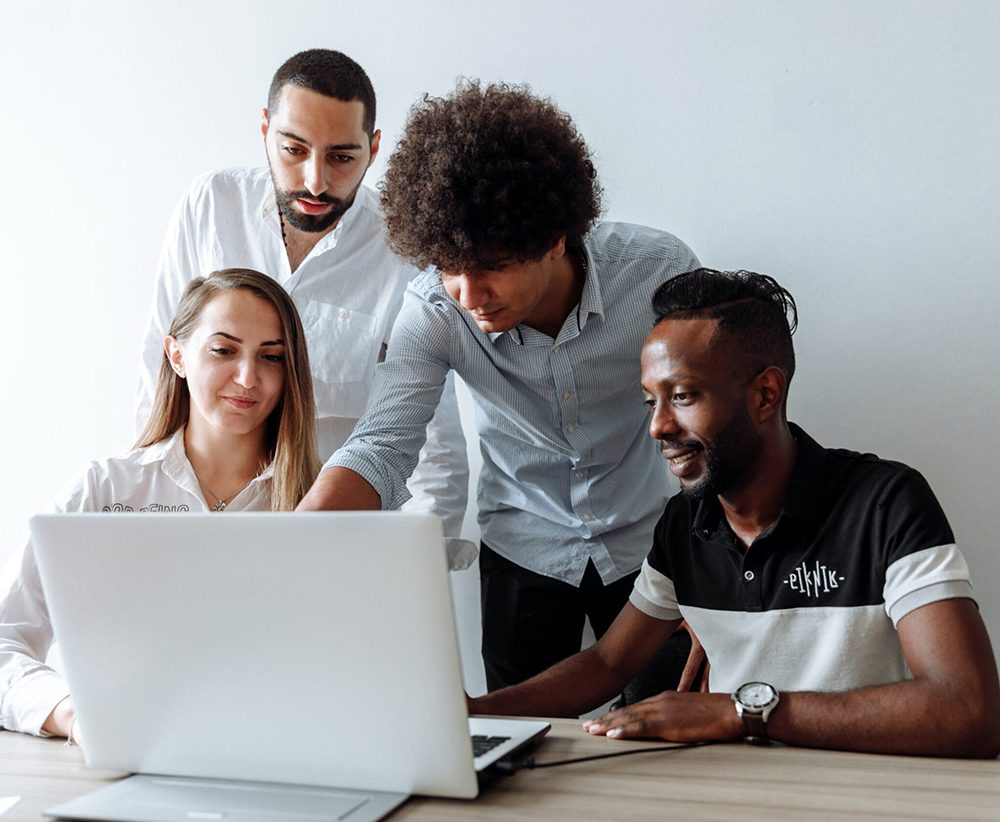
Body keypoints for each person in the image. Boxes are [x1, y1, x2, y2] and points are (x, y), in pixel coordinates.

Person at [469, 268, 1000, 758]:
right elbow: (607, 664)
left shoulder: (885, 503)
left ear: (766, 394)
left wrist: (739, 711)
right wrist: (468, 715)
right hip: (731, 794)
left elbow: (970, 712)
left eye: (681, 396)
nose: (658, 427)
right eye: (650, 401)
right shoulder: (683, 524)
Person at [299, 81, 702, 696]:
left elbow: (716, 426)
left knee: (667, 747)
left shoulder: (657, 275)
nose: (469, 294)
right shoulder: (435, 309)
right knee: (522, 750)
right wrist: (287, 553)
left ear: (554, 237)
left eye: (492, 265)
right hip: (524, 549)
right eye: (449, 268)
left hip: (655, 543)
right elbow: (382, 446)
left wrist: (724, 574)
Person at [137, 48, 469, 554]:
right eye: (294, 150)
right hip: (204, 531)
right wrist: (145, 519)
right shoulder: (210, 206)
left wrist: (419, 567)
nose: (316, 181)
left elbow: (431, 436)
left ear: (373, 148)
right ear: (265, 129)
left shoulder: (403, 247)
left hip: (339, 547)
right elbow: (158, 378)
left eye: (341, 157)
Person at [0, 268, 320, 739]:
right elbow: (6, 642)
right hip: (122, 754)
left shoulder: (319, 503)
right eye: (224, 350)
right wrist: (73, 714)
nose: (248, 378)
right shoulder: (103, 490)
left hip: (274, 748)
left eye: (271, 357)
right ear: (177, 355)